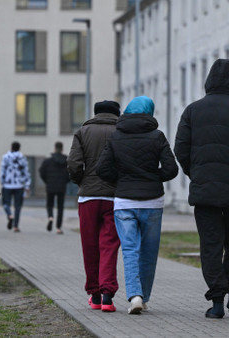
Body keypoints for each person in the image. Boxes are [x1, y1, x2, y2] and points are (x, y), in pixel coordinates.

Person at [174, 59, 229, 319]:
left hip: (205, 193)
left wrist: (197, 173)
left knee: (211, 245)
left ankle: (216, 302)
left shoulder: (192, 111)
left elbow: (181, 148)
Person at [97, 96, 178, 314]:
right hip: (152, 201)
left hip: (124, 201)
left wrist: (122, 180)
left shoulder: (116, 137)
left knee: (130, 250)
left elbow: (102, 169)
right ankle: (144, 296)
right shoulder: (157, 136)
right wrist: (153, 177)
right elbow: (171, 169)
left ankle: (135, 295)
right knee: (149, 253)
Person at [67, 100, 122, 312]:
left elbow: (73, 163)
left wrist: (81, 180)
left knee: (90, 247)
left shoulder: (83, 131)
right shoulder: (121, 131)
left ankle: (95, 296)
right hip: (114, 197)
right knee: (109, 246)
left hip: (88, 197)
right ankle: (108, 296)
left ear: (96, 112)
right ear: (117, 113)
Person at [39, 142, 70, 234]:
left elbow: (41, 172)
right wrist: (65, 181)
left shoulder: (48, 161)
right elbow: (71, 173)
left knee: (49, 204)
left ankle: (50, 217)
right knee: (60, 206)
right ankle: (58, 228)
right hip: (61, 186)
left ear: (55, 148)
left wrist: (47, 181)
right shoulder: (66, 161)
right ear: (62, 149)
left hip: (50, 186)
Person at [0, 141, 31, 233]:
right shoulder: (22, 158)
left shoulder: (5, 157)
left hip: (7, 184)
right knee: (18, 206)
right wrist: (27, 184)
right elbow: (26, 172)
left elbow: (2, 171)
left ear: (11, 147)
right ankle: (15, 226)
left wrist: (2, 182)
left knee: (6, 203)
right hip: (19, 185)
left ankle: (9, 215)